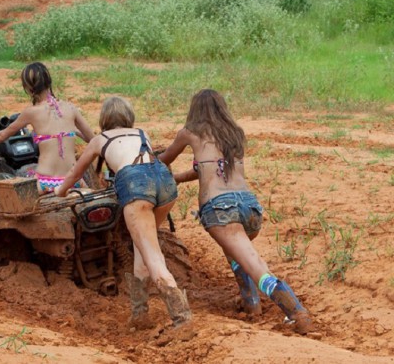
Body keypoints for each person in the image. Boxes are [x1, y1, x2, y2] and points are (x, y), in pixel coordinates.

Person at [158, 89, 314, 335]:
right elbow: (214, 169)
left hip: (220, 209)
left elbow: (163, 159)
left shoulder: (190, 133)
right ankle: (251, 304)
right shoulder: (234, 134)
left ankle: (295, 311)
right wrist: (179, 178)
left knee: (255, 265)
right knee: (237, 252)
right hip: (250, 208)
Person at [55, 96, 193, 332]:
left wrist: (60, 191)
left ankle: (182, 319)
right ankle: (139, 314)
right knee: (142, 247)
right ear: (129, 117)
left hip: (136, 187)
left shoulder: (99, 140)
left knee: (153, 257)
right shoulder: (142, 133)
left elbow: (75, 173)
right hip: (164, 185)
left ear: (104, 119)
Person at [0, 62, 95, 194]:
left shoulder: (31, 112)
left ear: (28, 88)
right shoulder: (70, 108)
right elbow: (92, 139)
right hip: (74, 181)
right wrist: (73, 131)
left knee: (3, 208)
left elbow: (1, 136)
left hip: (47, 182)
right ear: (49, 81)